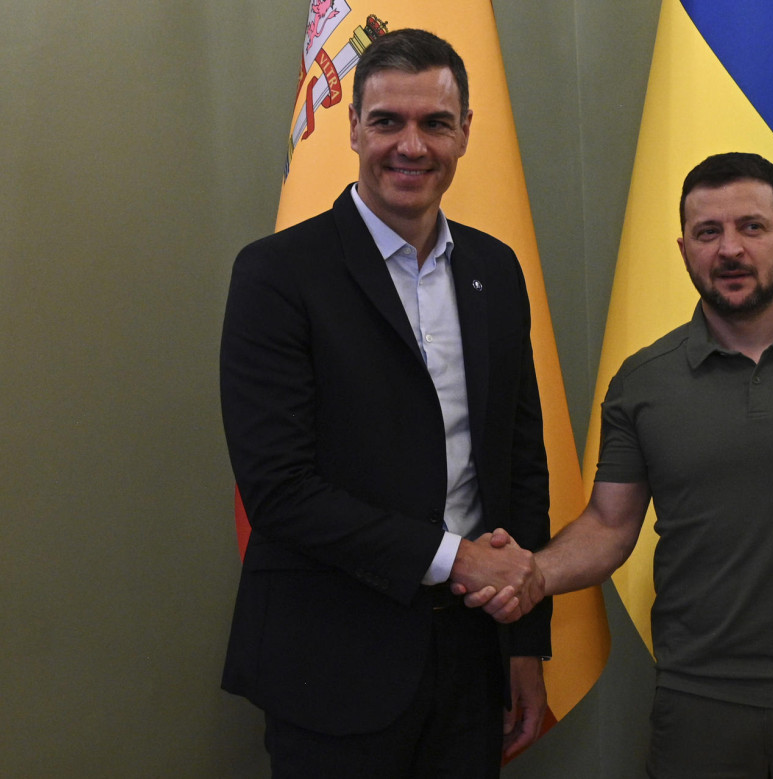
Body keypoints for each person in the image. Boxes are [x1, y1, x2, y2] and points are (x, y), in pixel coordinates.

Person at [464, 152, 773, 778]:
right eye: (708, 233)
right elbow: (610, 526)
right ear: (685, 248)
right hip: (696, 703)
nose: (730, 249)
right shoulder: (641, 383)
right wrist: (534, 573)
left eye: (752, 227)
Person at [219, 28, 550, 777]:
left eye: (435, 123)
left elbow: (518, 464)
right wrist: (454, 558)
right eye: (387, 122)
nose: (411, 145)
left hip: (472, 662)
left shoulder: (496, 272)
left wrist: (525, 641)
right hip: (331, 664)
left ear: (466, 132)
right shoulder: (277, 275)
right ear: (353, 129)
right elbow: (278, 489)